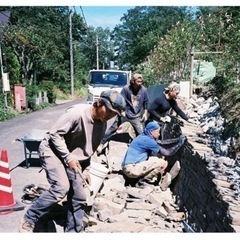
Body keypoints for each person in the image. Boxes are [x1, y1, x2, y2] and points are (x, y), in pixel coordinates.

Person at [19, 90, 126, 233]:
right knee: (61, 187)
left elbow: (88, 149)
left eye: (114, 114)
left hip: (72, 156)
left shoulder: (102, 124)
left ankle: (73, 231)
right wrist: (68, 158)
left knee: (79, 196)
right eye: (110, 111)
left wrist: (86, 169)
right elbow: (54, 134)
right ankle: (29, 218)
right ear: (99, 103)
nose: (110, 116)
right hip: (52, 150)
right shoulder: (77, 113)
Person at [121, 121, 186, 190]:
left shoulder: (143, 136)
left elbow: (161, 142)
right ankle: (142, 181)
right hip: (131, 169)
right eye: (157, 132)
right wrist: (179, 144)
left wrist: (177, 139)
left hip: (127, 167)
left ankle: (135, 178)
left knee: (155, 159)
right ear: (151, 131)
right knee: (162, 163)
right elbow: (167, 153)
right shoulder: (148, 141)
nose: (158, 134)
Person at [96, 73, 149, 154]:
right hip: (125, 113)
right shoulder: (126, 89)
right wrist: (121, 111)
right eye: (138, 81)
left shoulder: (144, 90)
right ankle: (101, 143)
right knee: (112, 128)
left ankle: (142, 150)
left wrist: (145, 112)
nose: (140, 83)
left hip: (136, 116)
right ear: (133, 81)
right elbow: (121, 100)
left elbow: (146, 102)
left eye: (141, 81)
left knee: (141, 132)